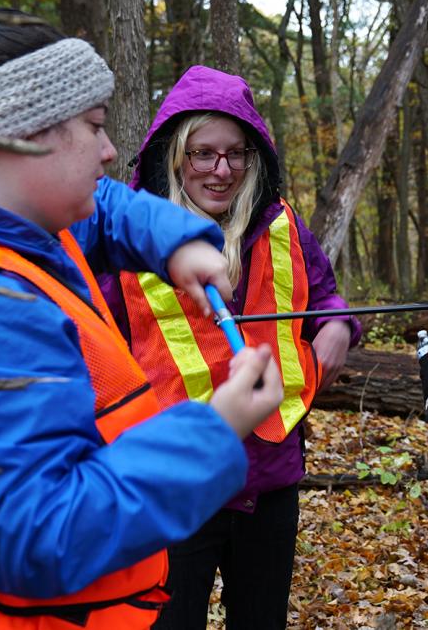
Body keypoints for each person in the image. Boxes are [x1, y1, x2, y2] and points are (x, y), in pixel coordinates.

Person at [0, 12, 286, 629]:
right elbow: (40, 536)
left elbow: (105, 207)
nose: (109, 151)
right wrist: (214, 429)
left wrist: (178, 240)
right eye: (95, 127)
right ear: (12, 136)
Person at [96, 65, 360, 630]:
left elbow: (326, 297)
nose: (221, 170)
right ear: (175, 155)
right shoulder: (124, 238)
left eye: (236, 154)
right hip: (175, 480)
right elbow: (93, 352)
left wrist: (339, 325)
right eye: (203, 154)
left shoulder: (283, 224)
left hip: (269, 475)